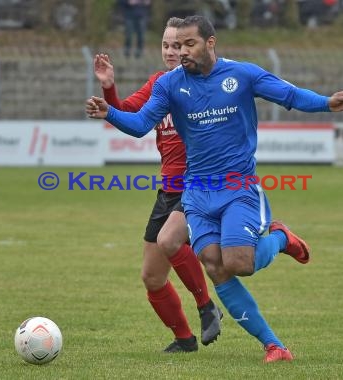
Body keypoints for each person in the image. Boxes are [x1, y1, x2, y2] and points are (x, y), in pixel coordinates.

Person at [86, 15, 343, 363]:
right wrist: (109, 112)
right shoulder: (170, 84)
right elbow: (141, 123)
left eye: (189, 44)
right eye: (176, 45)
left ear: (210, 43)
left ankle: (279, 237)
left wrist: (326, 102)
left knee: (239, 263)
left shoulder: (243, 74)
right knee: (215, 267)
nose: (181, 52)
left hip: (238, 188)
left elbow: (289, 95)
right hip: (197, 195)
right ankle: (274, 346)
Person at [93, 17, 223, 353]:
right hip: (168, 189)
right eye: (166, 45)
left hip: (197, 184)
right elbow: (126, 114)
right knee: (152, 277)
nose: (171, 51)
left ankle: (207, 306)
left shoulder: (201, 83)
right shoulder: (159, 85)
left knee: (170, 242)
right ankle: (184, 339)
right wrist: (109, 88)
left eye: (177, 45)